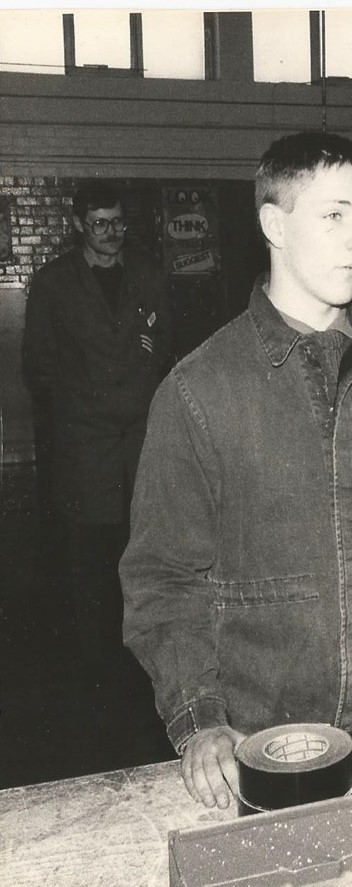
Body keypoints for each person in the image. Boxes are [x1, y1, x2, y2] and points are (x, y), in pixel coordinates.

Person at [120, 131, 352, 809]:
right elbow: (162, 582)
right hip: (254, 748)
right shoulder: (199, 390)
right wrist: (201, 721)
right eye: (333, 215)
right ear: (273, 223)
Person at [22, 182, 172, 666]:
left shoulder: (147, 273)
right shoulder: (53, 282)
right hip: (85, 445)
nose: (112, 233)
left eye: (118, 222)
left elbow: (166, 341)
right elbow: (38, 365)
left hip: (140, 439)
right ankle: (94, 659)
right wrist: (82, 406)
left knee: (144, 547)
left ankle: (143, 647)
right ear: (78, 225)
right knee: (89, 554)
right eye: (100, 224)